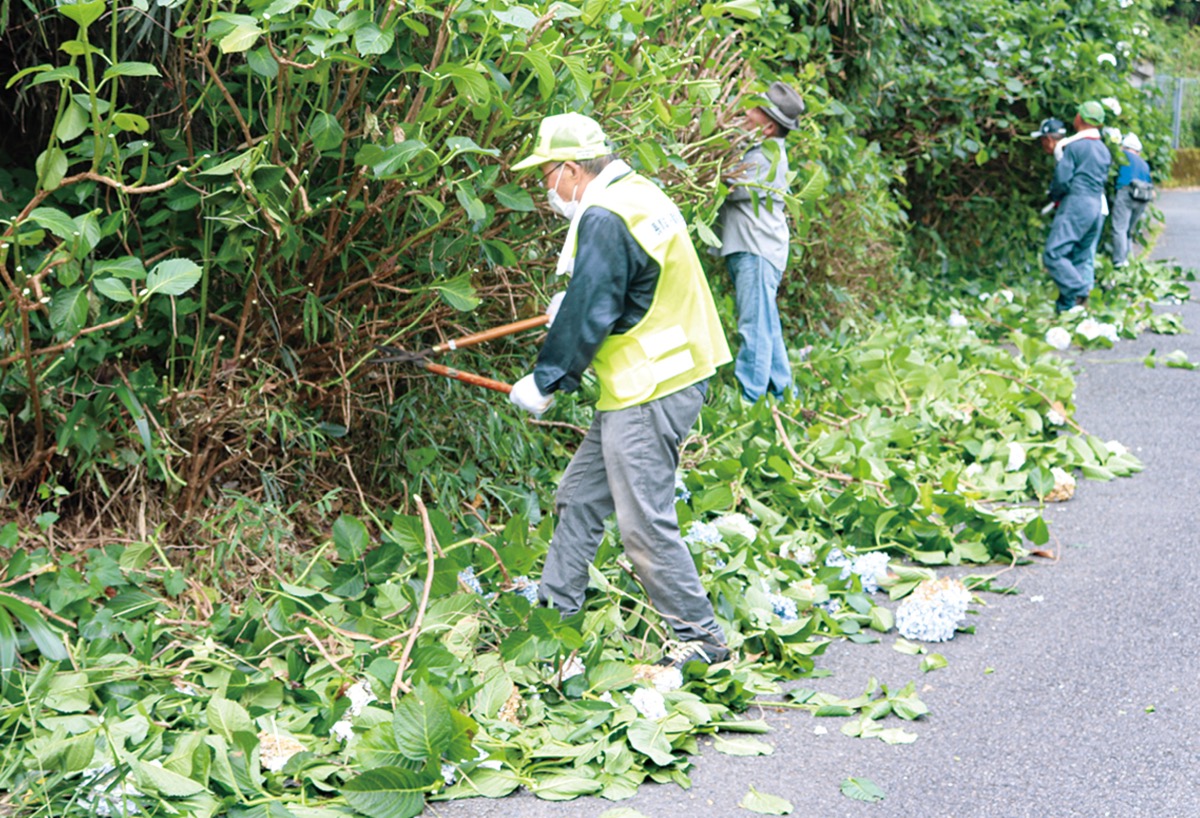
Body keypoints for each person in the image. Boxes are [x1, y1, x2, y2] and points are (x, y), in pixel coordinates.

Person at [508, 113, 733, 668]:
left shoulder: (605, 216)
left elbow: (595, 306)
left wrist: (546, 380)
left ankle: (702, 642)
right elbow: (628, 285)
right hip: (658, 374)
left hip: (651, 384)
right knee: (579, 497)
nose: (544, 189)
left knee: (642, 524)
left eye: (545, 175)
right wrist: (578, 305)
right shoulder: (638, 193)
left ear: (569, 169)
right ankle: (553, 619)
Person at [716, 81, 805, 402]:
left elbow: (726, 183)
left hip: (756, 250)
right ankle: (784, 393)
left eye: (753, 110)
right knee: (766, 324)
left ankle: (750, 398)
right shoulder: (760, 150)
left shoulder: (767, 158)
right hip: (755, 248)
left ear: (767, 127)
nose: (745, 112)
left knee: (753, 325)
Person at [1043, 101, 1111, 312]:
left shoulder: (1072, 146)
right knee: (1080, 257)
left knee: (1053, 254)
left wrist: (1055, 197)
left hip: (1077, 203)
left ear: (1079, 119)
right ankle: (1069, 310)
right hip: (1097, 206)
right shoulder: (1104, 150)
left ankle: (1080, 289)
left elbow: (1062, 180)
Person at [1110, 132, 1153, 267]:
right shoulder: (1144, 164)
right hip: (1143, 197)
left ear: (1124, 146)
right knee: (1128, 230)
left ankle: (1120, 261)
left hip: (1126, 192)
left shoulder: (1122, 156)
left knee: (1119, 228)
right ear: (1138, 151)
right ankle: (1130, 260)